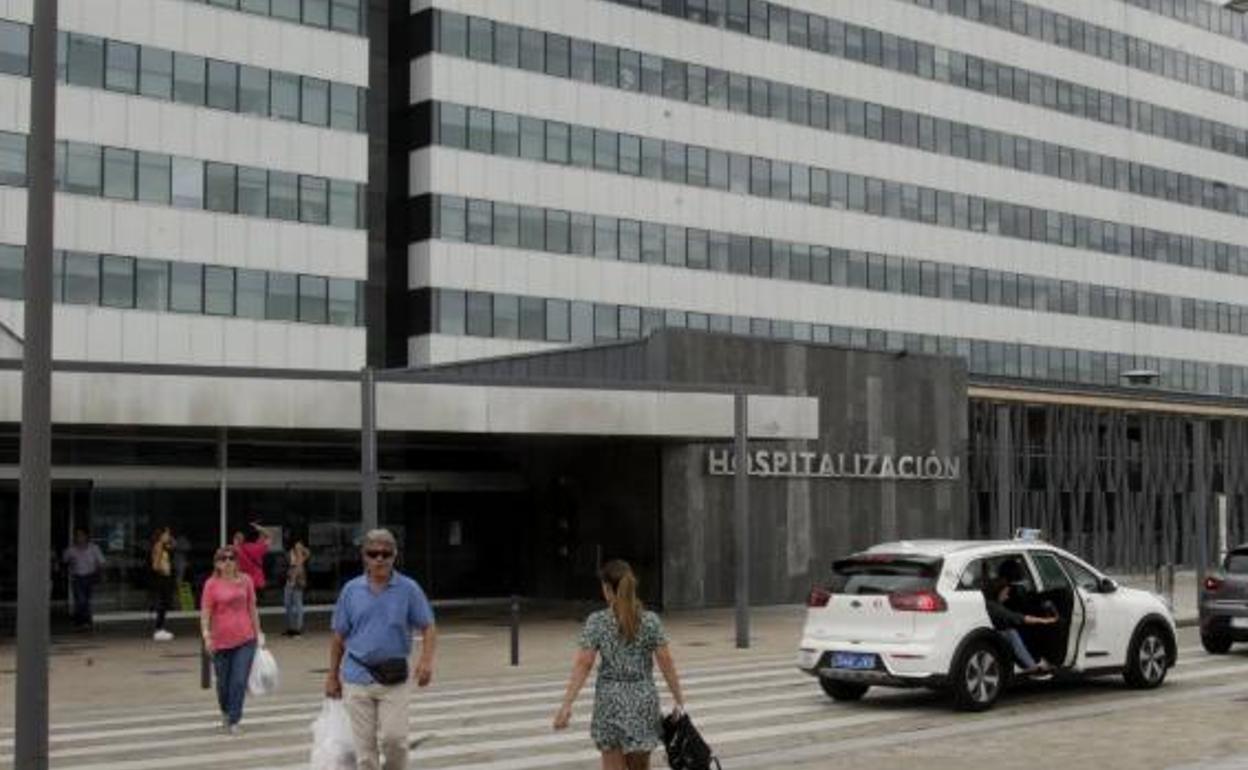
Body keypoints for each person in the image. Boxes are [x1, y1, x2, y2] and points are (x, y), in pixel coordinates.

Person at [554, 559, 686, 770]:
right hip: (643, 702)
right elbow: (666, 661)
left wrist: (567, 704)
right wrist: (679, 699)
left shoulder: (597, 621)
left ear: (607, 589)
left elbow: (584, 663)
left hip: (610, 704)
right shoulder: (650, 620)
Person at [325, 529, 437, 770]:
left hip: (394, 678)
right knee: (365, 752)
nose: (379, 559)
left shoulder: (409, 589)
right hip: (357, 677)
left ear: (394, 555)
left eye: (386, 553)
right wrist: (332, 676)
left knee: (395, 740)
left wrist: (426, 661)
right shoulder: (351, 590)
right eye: (373, 553)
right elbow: (338, 637)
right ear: (364, 556)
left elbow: (428, 626)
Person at [200, 545, 265, 736]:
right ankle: (226, 712)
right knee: (223, 684)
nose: (228, 562)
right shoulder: (211, 584)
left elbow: (252, 608)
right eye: (223, 559)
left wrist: (258, 632)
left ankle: (235, 719)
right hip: (220, 641)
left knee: (238, 681)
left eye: (231, 558)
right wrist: (206, 635)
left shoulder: (246, 581)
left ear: (237, 562)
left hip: (246, 639)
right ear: (217, 563)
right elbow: (206, 612)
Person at [985, 577, 1057, 675]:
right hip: (993, 635)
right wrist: (1044, 621)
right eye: (1005, 593)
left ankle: (1034, 663)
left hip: (992, 633)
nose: (1007, 597)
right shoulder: (994, 607)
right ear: (998, 592)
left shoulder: (991, 603)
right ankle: (1033, 668)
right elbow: (1018, 618)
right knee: (1011, 633)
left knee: (1017, 631)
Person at [63, 528, 105, 631]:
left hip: (90, 576)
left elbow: (101, 562)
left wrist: (99, 572)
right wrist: (69, 564)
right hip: (77, 577)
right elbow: (64, 560)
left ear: (86, 537)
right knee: (81, 600)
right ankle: (82, 621)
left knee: (86, 600)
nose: (80, 538)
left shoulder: (94, 548)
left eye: (82, 535)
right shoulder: (71, 550)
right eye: (77, 536)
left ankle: (83, 621)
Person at [150, 527, 176, 641]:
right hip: (161, 577)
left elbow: (174, 545)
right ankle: (158, 629)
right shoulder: (159, 545)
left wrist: (170, 537)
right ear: (161, 536)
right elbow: (155, 565)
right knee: (162, 603)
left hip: (165, 577)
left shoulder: (164, 545)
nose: (168, 537)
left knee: (165, 603)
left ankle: (160, 628)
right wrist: (162, 569)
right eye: (166, 535)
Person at [232, 522, 272, 592]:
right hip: (257, 583)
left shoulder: (235, 550)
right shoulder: (256, 547)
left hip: (242, 583)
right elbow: (269, 537)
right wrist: (261, 529)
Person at [284, 538, 311, 637]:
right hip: (289, 581)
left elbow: (307, 553)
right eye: (296, 544)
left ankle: (298, 629)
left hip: (297, 583)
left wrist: (301, 550)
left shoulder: (303, 555)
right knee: (288, 605)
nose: (298, 546)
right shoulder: (291, 554)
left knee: (298, 605)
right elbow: (291, 566)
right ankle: (290, 628)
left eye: (300, 545)